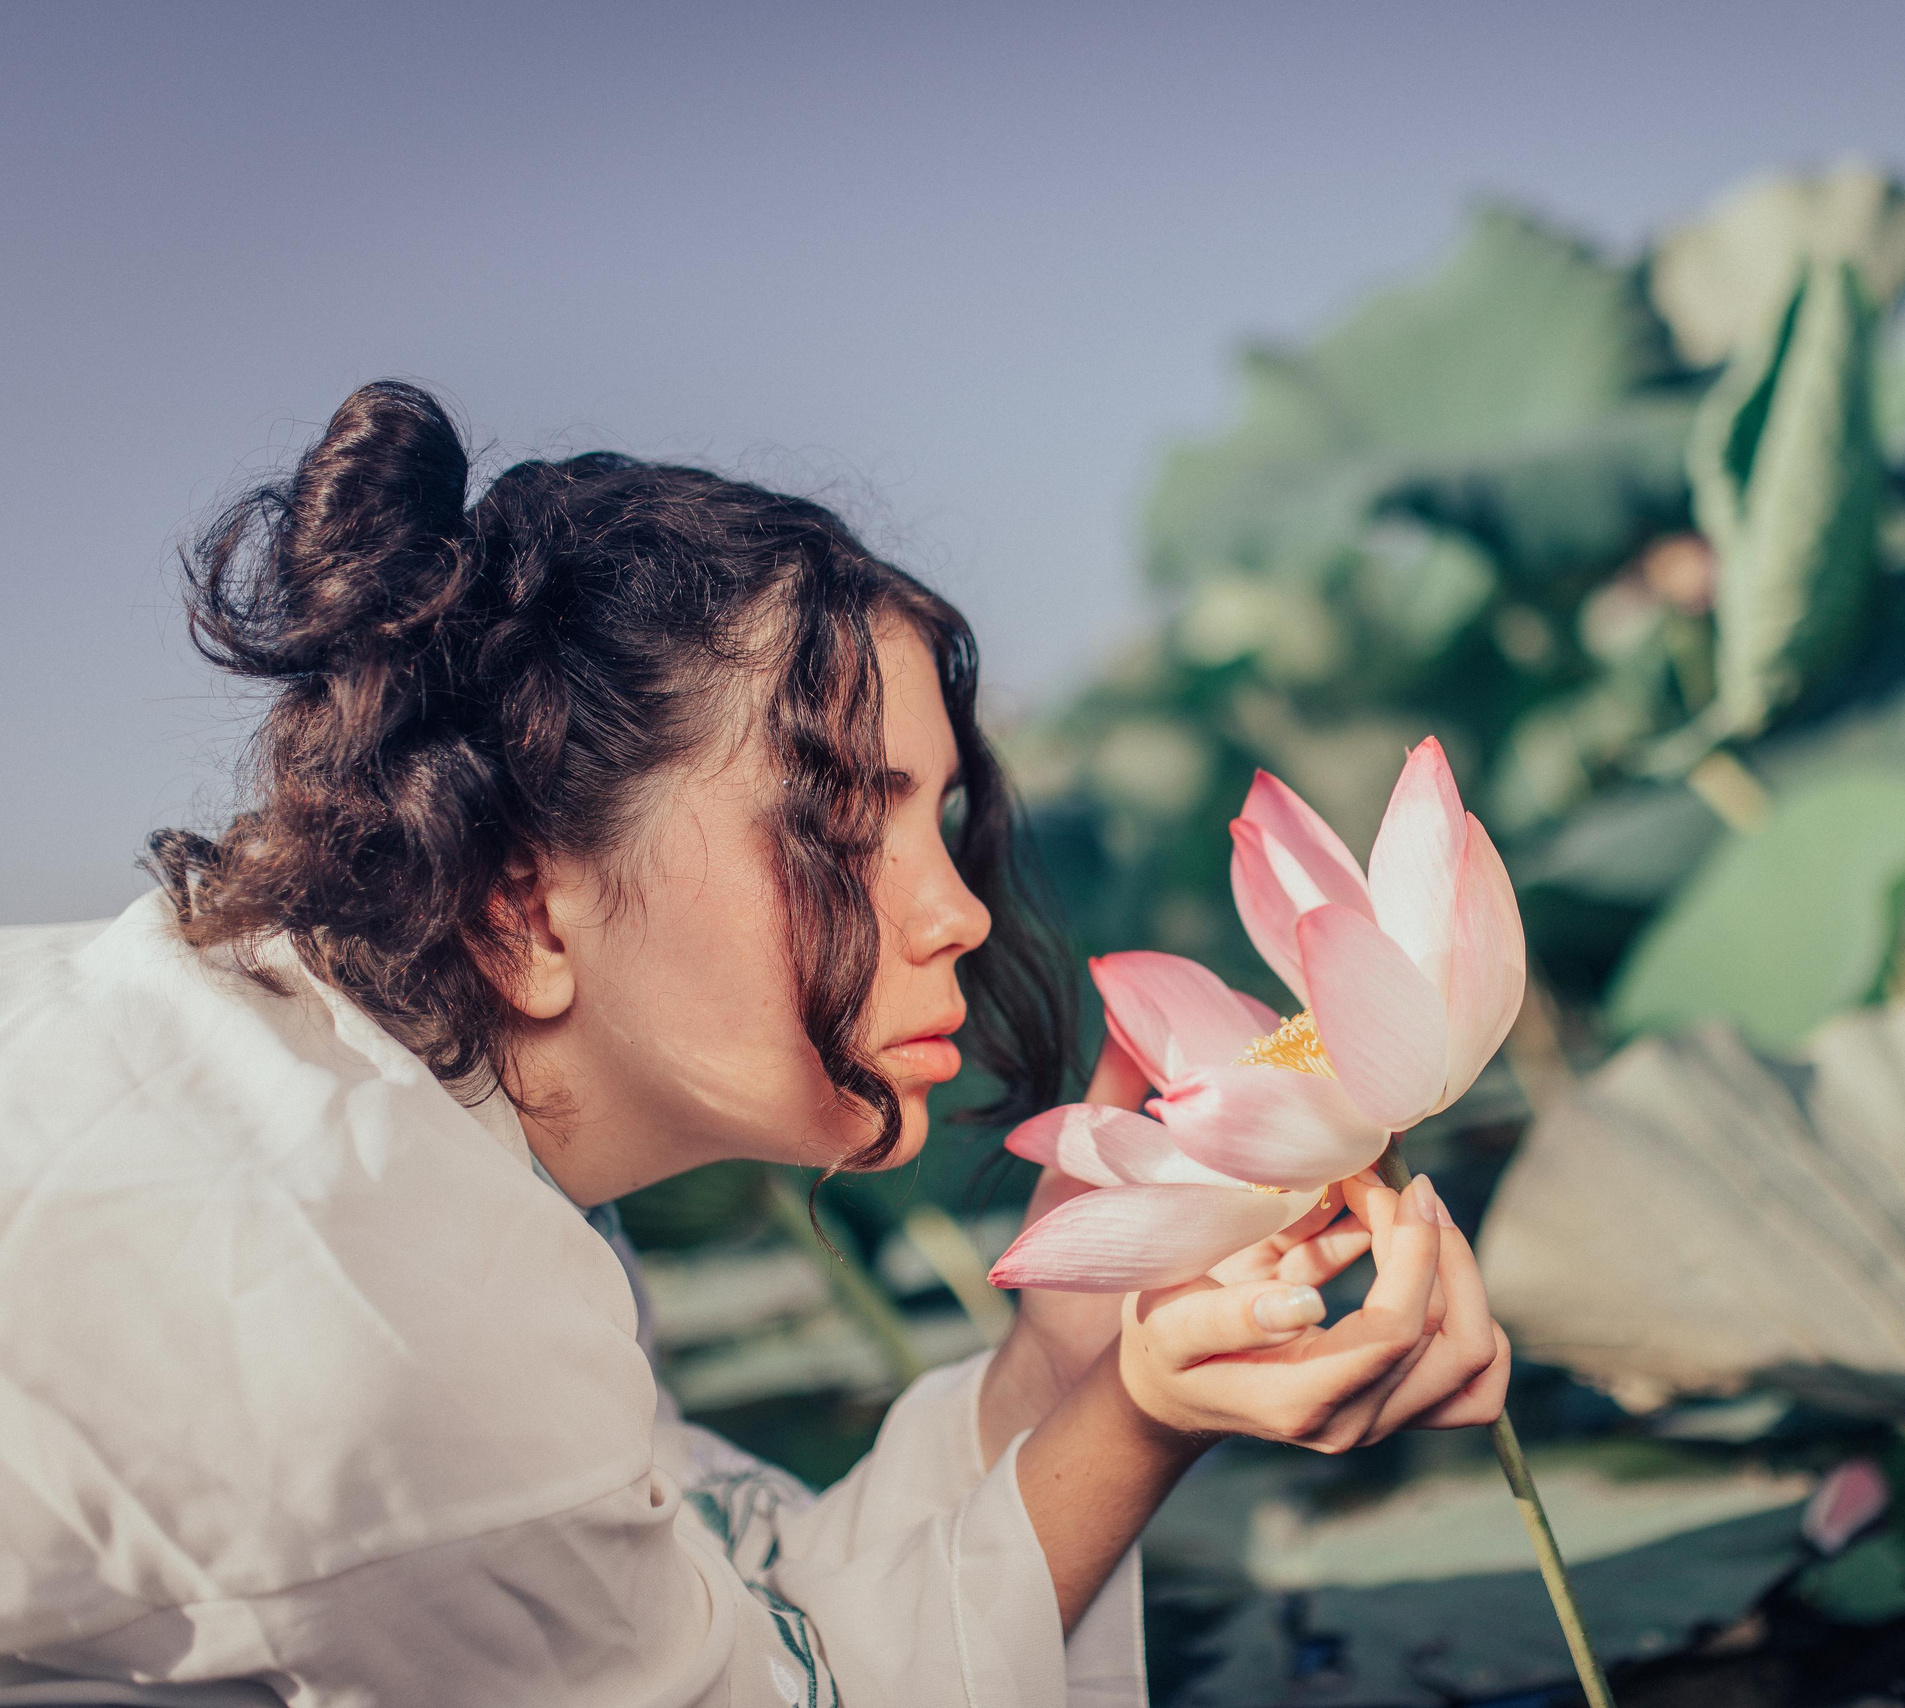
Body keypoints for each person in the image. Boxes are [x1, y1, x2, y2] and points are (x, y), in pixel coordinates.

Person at [0, 383, 1510, 1707]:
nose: (959, 918)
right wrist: (1140, 1422)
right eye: (846, 828)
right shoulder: (365, 1311)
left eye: (941, 823)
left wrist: (1068, 1347)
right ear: (526, 901)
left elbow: (726, 1595)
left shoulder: (405, 1140)